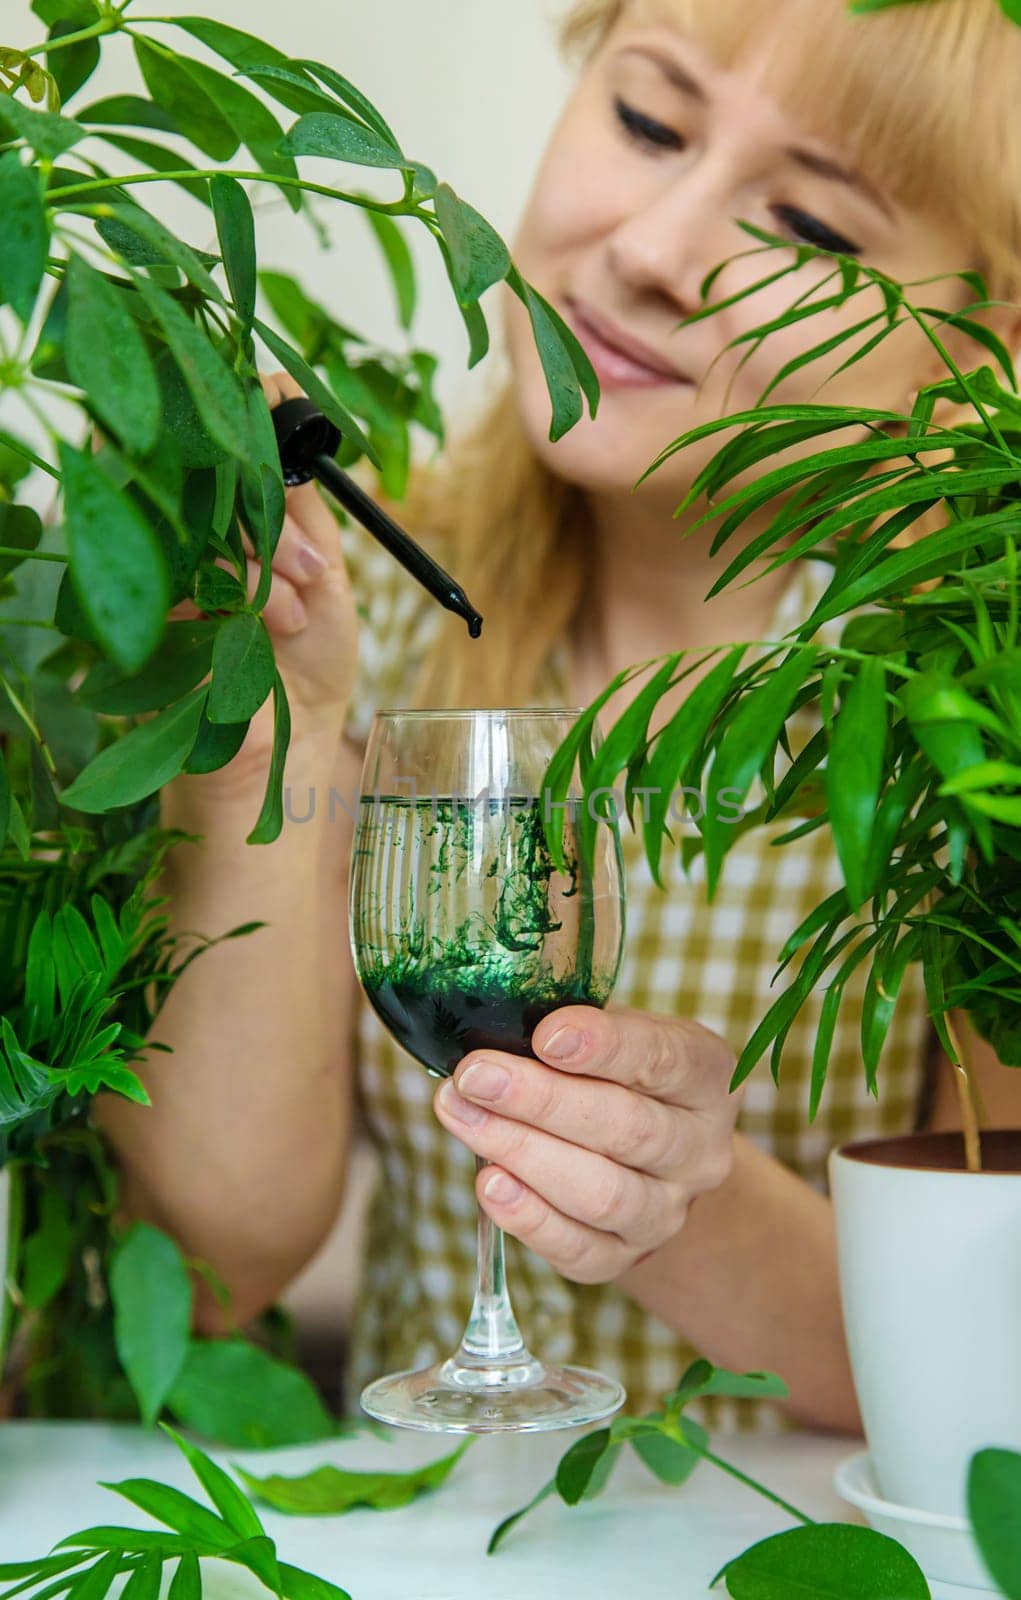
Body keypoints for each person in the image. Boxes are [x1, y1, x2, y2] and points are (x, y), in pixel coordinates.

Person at [97, 0, 1021, 1434]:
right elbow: (220, 1268)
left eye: (811, 228)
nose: (652, 253)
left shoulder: (978, 727)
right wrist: (254, 757)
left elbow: (994, 1374)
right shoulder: (369, 611)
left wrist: (678, 1207)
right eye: (648, 119)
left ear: (986, 343)